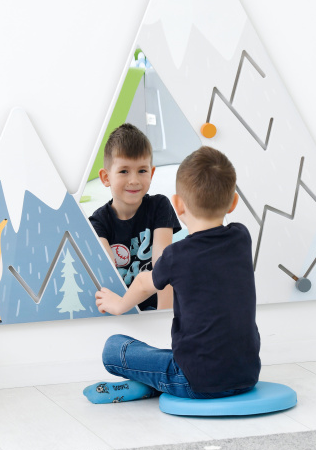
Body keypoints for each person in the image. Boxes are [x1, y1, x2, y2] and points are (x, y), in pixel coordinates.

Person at [84, 146, 261, 404]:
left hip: (194, 380)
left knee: (114, 349)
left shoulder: (177, 255)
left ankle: (151, 384)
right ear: (233, 202)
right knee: (173, 358)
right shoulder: (242, 236)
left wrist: (119, 304)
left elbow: (144, 282)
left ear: (177, 204)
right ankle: (154, 382)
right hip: (246, 375)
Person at [89, 123, 181, 311]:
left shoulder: (159, 206)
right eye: (124, 171)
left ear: (151, 173)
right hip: (121, 310)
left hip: (158, 306)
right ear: (106, 177)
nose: (134, 180)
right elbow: (107, 277)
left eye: (142, 171)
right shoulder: (98, 222)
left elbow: (164, 266)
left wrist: (163, 316)